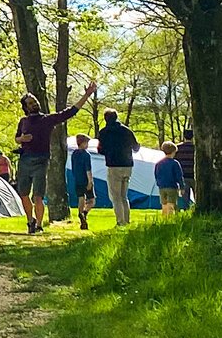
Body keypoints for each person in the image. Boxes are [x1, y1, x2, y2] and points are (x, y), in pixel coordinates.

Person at [13, 84, 95, 235]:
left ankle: (38, 225)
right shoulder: (23, 121)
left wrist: (87, 95)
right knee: (23, 194)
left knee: (38, 195)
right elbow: (17, 139)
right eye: (30, 103)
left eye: (35, 101)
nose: (34, 104)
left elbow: (70, 112)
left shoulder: (47, 119)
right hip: (24, 160)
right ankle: (30, 221)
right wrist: (22, 138)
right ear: (26, 107)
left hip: (41, 160)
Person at [95, 109, 139, 228]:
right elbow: (136, 147)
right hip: (128, 165)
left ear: (105, 119)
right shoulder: (126, 131)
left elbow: (100, 149)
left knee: (116, 196)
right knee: (124, 196)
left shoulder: (104, 132)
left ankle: (120, 221)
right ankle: (127, 219)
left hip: (113, 165)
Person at [64, 134, 95, 230]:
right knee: (92, 200)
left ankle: (80, 214)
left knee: (81, 198)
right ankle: (84, 213)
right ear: (83, 143)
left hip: (77, 180)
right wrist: (90, 181)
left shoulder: (74, 154)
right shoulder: (86, 155)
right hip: (85, 179)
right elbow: (88, 169)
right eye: (87, 143)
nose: (87, 145)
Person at [152, 140, 185, 214]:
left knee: (164, 204)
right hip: (172, 186)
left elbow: (156, 175)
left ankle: (164, 218)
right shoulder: (175, 163)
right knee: (171, 203)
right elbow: (179, 176)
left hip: (162, 187)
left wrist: (159, 183)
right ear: (173, 152)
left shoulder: (158, 163)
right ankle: (170, 218)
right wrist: (182, 187)